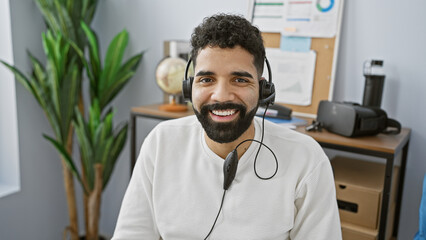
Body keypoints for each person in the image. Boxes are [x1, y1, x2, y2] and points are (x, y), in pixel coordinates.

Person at [112, 13, 341, 240]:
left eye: (240, 80)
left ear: (263, 90)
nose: (221, 96)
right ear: (189, 87)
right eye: (207, 79)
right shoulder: (161, 143)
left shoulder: (306, 158)